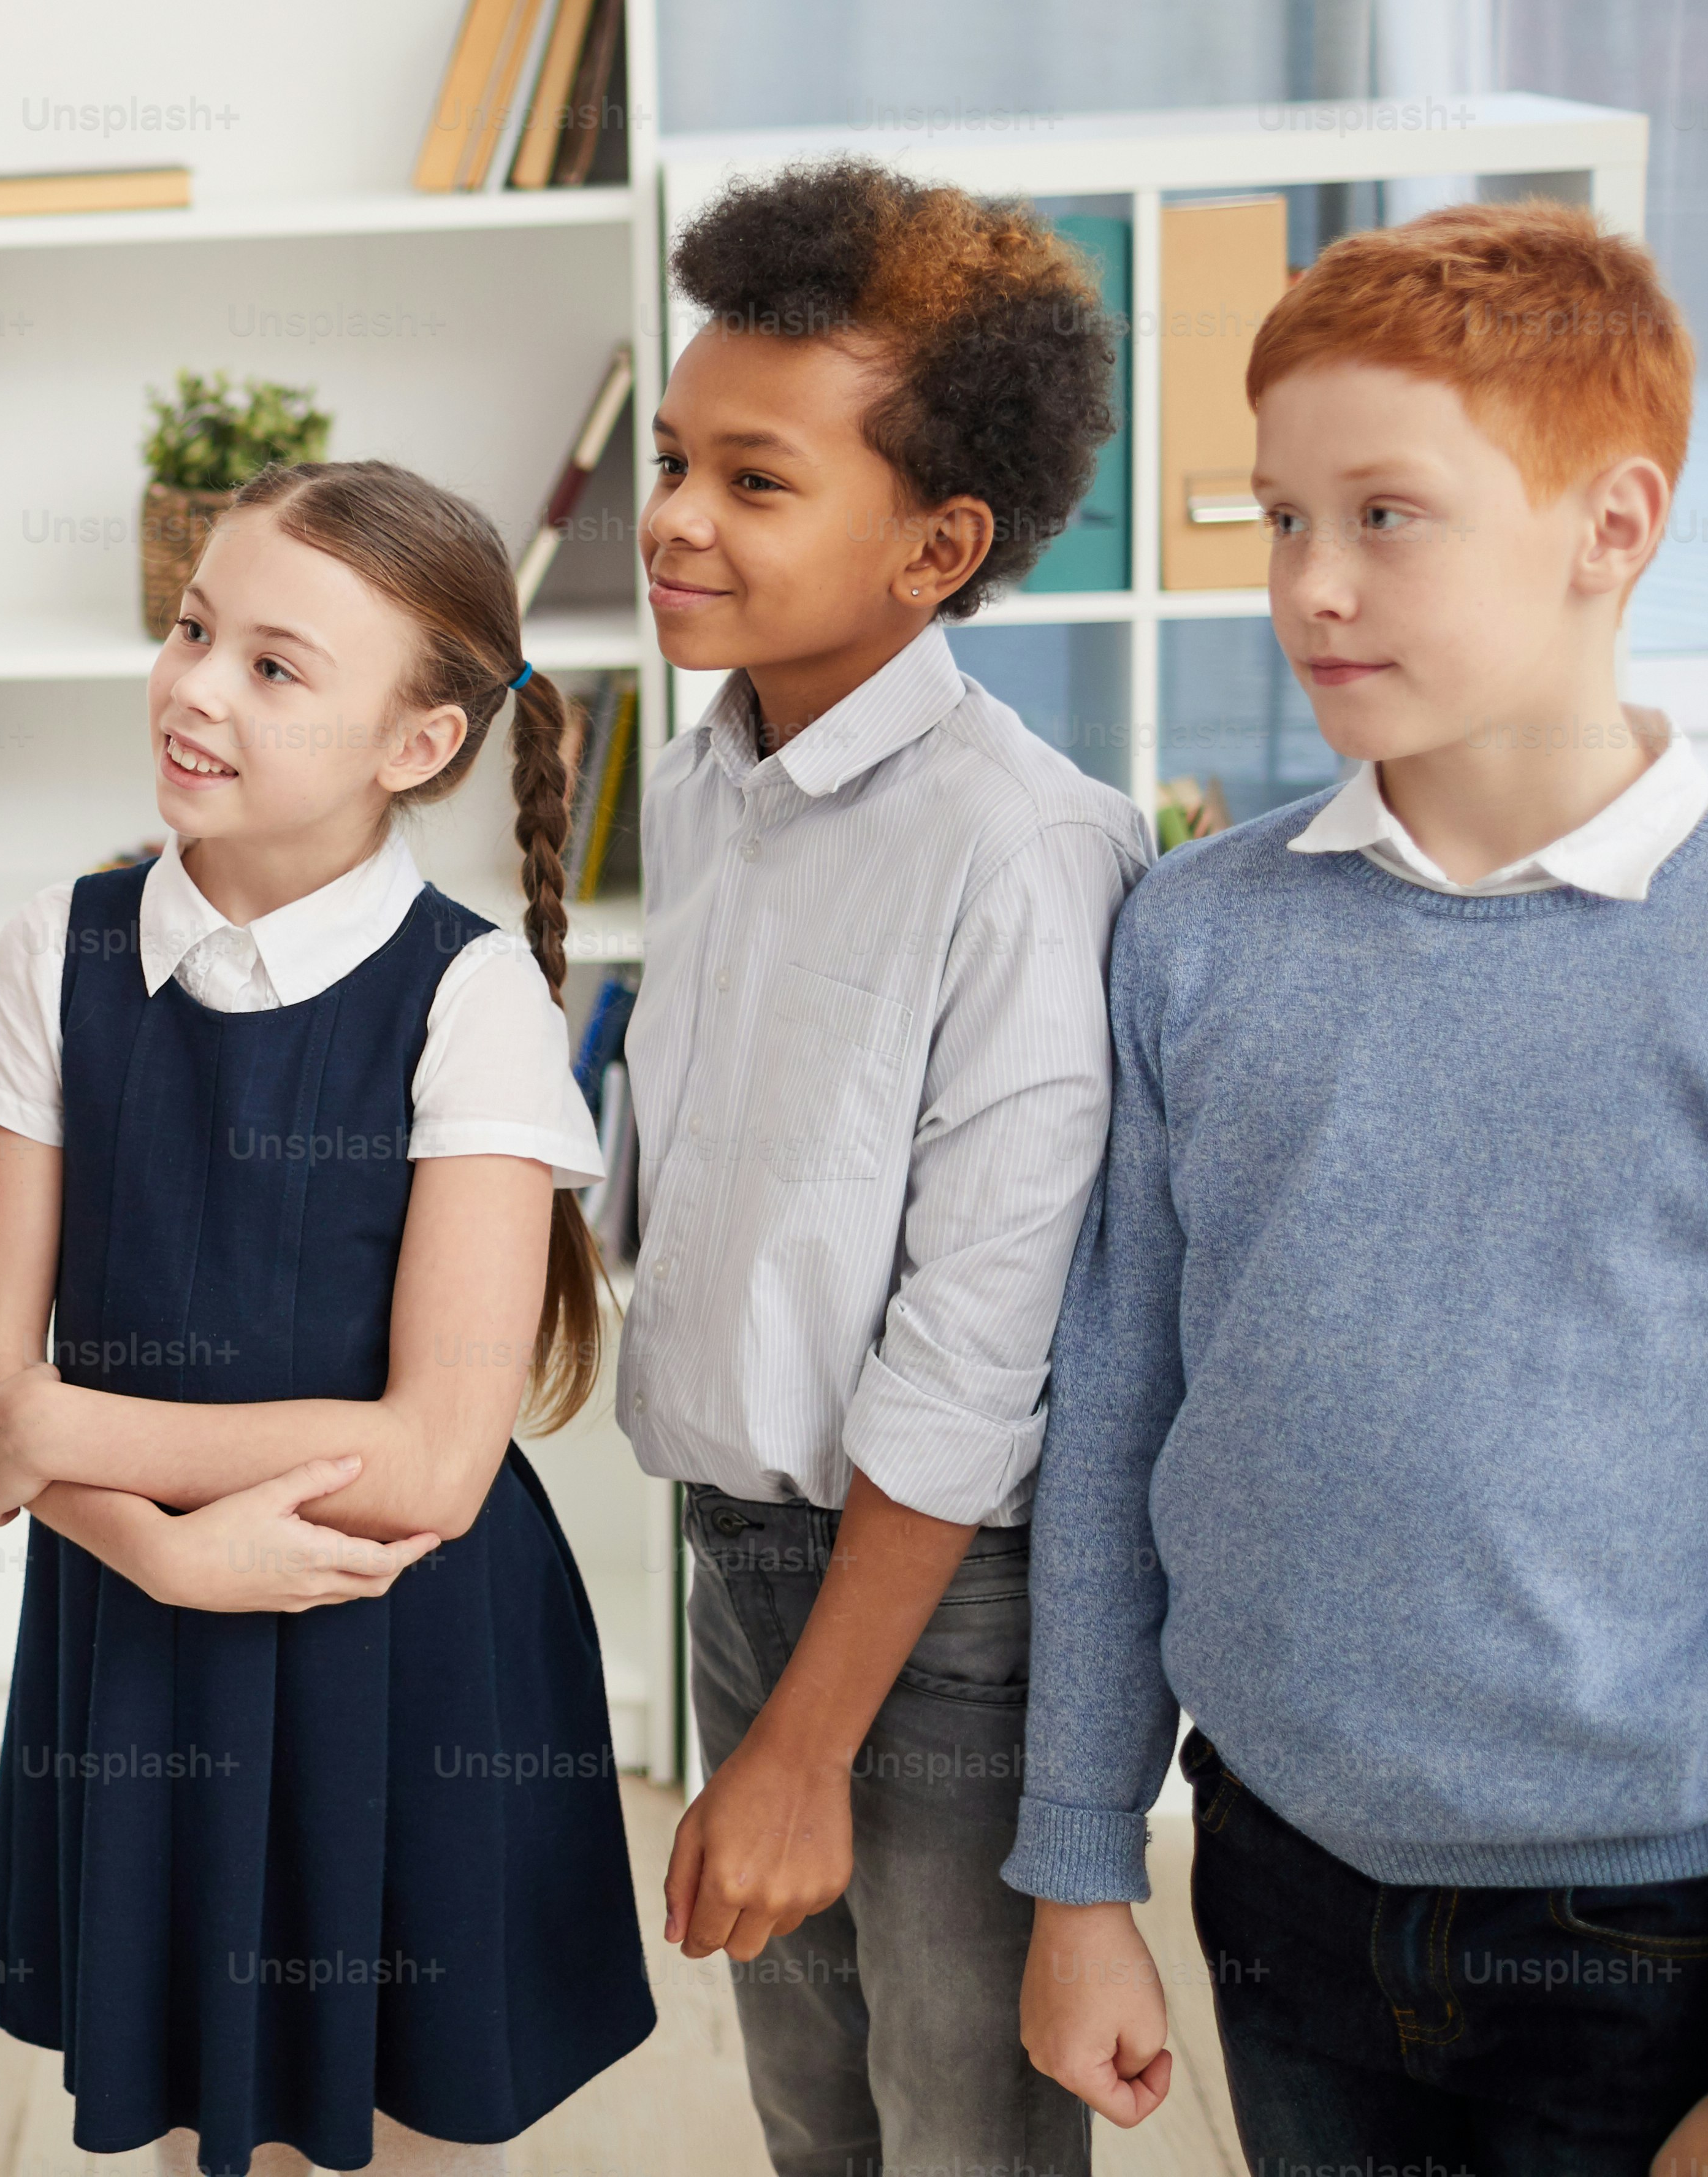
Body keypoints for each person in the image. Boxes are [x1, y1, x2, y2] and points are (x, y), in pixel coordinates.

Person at [1008, 204, 1708, 2177]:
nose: (1310, 585)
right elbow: (1112, 1425)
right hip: (1279, 1883)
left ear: (1613, 526)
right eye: (1279, 519)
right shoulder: (1192, 934)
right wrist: (1085, 1869)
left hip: (1653, 1935)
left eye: (1386, 516)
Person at [0, 459, 656, 2175]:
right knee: (196, 2111)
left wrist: (67, 1432)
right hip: (139, 1617)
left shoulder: (471, 995)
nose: (192, 687)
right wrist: (160, 1548)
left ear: (418, 746)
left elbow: (432, 1460)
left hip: (398, 1638)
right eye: (194, 629)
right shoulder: (58, 952)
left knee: (404, 2117)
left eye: (274, 665)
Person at [622, 159, 1145, 2177]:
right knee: (813, 2123)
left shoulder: (1024, 849)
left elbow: (972, 1347)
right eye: (677, 458)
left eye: (756, 482)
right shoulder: (708, 780)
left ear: (936, 546)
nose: (672, 515)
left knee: (963, 2143)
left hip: (935, 1621)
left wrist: (804, 1748)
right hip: (740, 1560)